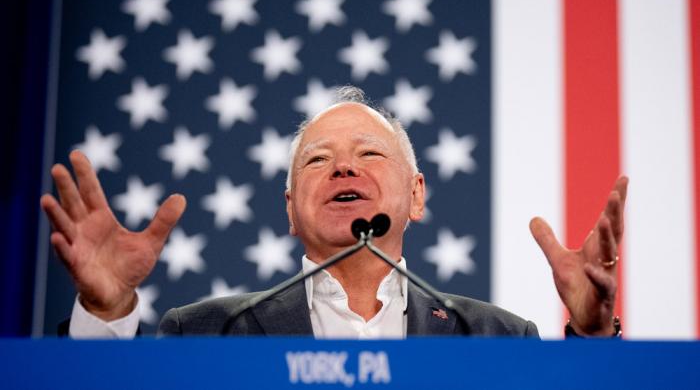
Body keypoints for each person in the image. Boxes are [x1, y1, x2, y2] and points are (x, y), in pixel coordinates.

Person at [40, 87, 627, 338]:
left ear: (416, 195)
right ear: (291, 210)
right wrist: (105, 311)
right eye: (319, 161)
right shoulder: (205, 332)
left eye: (370, 154)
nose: (345, 169)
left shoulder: (496, 338)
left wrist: (596, 340)